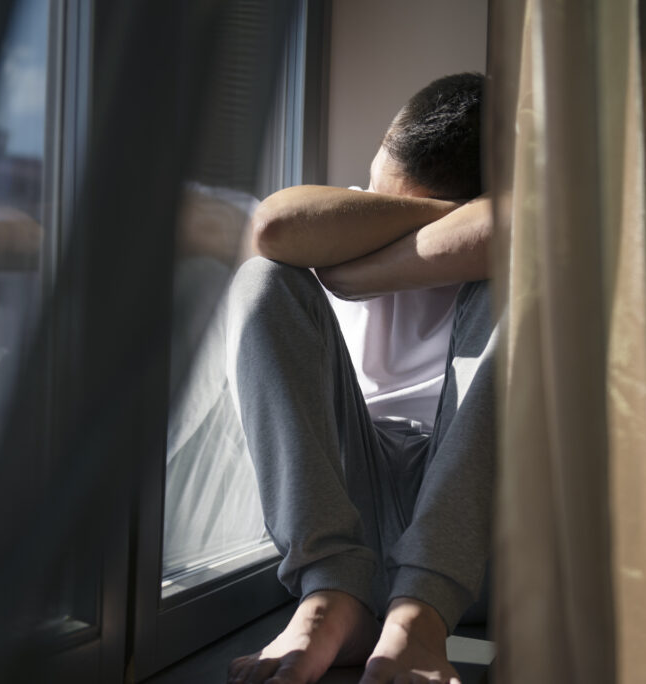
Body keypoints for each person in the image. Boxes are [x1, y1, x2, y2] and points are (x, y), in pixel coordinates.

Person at [226, 73, 496, 684]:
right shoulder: (346, 213)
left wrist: (361, 272)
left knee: (517, 284)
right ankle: (331, 598)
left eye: (406, 203)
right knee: (261, 280)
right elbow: (272, 229)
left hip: (465, 534)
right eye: (383, 195)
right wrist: (434, 224)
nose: (378, 203)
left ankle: (418, 620)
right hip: (350, 521)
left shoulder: (518, 222)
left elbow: (524, 222)